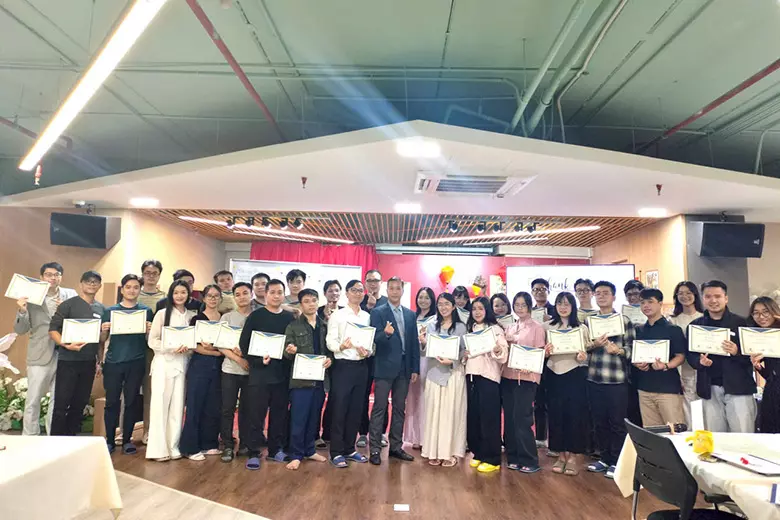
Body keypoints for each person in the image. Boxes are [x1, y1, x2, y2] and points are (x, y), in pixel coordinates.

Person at [13, 261, 77, 435]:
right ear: (41, 277)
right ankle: (30, 436)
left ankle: (52, 435)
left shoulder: (71, 295)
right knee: (33, 399)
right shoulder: (31, 296)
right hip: (40, 353)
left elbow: (77, 322)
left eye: (56, 275)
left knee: (58, 400)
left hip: (65, 353)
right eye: (48, 275)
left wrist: (66, 310)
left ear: (61, 277)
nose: (52, 278)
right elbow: (21, 330)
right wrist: (22, 311)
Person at [240, 279, 295, 470]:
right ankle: (253, 452)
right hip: (260, 373)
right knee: (256, 415)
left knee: (279, 414)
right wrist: (257, 361)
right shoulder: (256, 316)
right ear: (265, 294)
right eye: (272, 292)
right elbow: (244, 343)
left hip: (281, 374)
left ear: (283, 294)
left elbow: (292, 342)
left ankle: (275, 450)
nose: (276, 296)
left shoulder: (289, 318)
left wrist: (291, 349)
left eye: (280, 292)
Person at [687, 281, 755, 433]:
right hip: (709, 388)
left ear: (726, 298)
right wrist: (700, 362)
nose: (713, 300)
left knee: (743, 434)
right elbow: (691, 357)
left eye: (717, 296)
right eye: (708, 296)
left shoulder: (742, 323)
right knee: (715, 436)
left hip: (738, 387)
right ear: (703, 299)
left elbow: (753, 356)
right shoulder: (695, 326)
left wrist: (737, 352)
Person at [368, 277, 420, 465]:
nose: (395, 291)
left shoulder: (410, 315)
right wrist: (386, 334)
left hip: (404, 369)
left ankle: (396, 447)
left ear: (402, 291)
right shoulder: (378, 312)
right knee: (379, 408)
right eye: (392, 288)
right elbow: (373, 338)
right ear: (387, 290)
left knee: (399, 408)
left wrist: (415, 368)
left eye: (398, 288)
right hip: (384, 367)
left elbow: (414, 343)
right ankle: (374, 449)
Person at [586, 281, 634, 479]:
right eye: (598, 293)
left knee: (617, 424)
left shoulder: (624, 321)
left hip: (617, 380)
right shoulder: (590, 321)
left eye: (606, 293)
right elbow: (583, 347)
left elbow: (633, 348)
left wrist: (619, 350)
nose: (601, 296)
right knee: (599, 423)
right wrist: (594, 344)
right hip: (594, 378)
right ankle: (604, 459)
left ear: (614, 297)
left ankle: (617, 462)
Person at [100, 274, 153, 453]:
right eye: (128, 287)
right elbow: (102, 339)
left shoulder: (146, 311)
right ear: (122, 289)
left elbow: (150, 341)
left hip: (136, 362)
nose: (132, 290)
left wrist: (149, 331)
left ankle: (127, 440)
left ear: (140, 290)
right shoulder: (110, 311)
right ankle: (109, 440)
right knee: (111, 402)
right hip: (113, 362)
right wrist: (103, 330)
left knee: (131, 401)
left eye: (136, 287)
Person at [48, 270, 106, 436]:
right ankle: (56, 440)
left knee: (80, 403)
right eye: (88, 281)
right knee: (61, 404)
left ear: (99, 286)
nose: (91, 284)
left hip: (88, 362)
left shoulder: (101, 309)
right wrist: (66, 344)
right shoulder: (68, 305)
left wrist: (99, 361)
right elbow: (53, 330)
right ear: (81, 284)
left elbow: (101, 340)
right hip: (68, 360)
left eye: (95, 282)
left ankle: (72, 438)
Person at [283, 288, 332, 470]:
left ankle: (310, 450)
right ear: (301, 305)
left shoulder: (325, 326)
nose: (311, 304)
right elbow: (286, 352)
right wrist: (290, 350)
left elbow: (329, 350)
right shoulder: (293, 326)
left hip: (320, 379)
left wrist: (330, 360)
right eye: (306, 301)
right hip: (300, 380)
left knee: (314, 417)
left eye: (313, 300)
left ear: (318, 302)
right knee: (299, 417)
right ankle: (296, 454)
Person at [146, 280, 195, 461]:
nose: (180, 296)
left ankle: (173, 446)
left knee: (177, 406)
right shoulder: (161, 314)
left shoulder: (191, 316)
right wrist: (171, 348)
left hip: (182, 364)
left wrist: (187, 348)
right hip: (163, 364)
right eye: (176, 292)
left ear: (188, 295)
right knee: (160, 406)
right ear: (170, 294)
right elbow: (152, 341)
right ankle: (158, 450)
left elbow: (193, 343)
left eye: (183, 292)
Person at [326, 279, 372, 468]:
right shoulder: (337, 315)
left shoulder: (366, 316)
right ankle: (336, 452)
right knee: (340, 409)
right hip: (343, 366)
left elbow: (370, 342)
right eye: (354, 290)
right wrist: (341, 347)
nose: (358, 293)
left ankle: (349, 448)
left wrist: (368, 351)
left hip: (361, 366)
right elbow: (330, 341)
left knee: (356, 409)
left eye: (361, 290)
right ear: (347, 293)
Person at [543, 292, 590, 476]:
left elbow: (585, 356)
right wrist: (545, 353)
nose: (563, 307)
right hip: (554, 374)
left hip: (575, 374)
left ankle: (572, 457)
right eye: (559, 304)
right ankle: (561, 455)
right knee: (556, 415)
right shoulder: (547, 327)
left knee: (574, 416)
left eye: (566, 304)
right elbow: (541, 353)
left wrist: (583, 357)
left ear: (573, 306)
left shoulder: (581, 328)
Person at [421, 293, 468, 467]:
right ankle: (433, 451)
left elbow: (465, 352)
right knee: (434, 414)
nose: (443, 307)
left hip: (453, 374)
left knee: (451, 414)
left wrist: (453, 361)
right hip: (434, 373)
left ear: (454, 306)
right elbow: (426, 351)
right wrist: (423, 343)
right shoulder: (431, 326)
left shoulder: (461, 327)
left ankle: (449, 453)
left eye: (447, 304)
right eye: (440, 304)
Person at [502, 292, 546, 473]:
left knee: (523, 418)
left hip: (527, 378)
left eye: (523, 305)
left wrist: (531, 365)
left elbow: (540, 352)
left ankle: (529, 459)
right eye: (517, 305)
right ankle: (513, 456)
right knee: (510, 419)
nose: (520, 308)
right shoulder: (510, 327)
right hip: (508, 376)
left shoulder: (537, 328)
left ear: (529, 306)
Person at [180, 285, 224, 460]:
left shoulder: (224, 319)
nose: (213, 299)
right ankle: (190, 447)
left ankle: (209, 443)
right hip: (199, 366)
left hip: (218, 368)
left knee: (213, 406)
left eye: (216, 296)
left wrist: (218, 351)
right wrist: (216, 352)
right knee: (195, 405)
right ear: (204, 298)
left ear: (221, 298)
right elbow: (194, 345)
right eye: (209, 296)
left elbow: (228, 343)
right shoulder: (196, 319)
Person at [465, 296, 508, 474]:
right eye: (474, 309)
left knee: (489, 419)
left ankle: (492, 458)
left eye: (481, 309)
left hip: (488, 377)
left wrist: (498, 350)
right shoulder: (471, 329)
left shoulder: (495, 329)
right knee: (475, 418)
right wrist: (465, 354)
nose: (477, 312)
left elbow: (503, 354)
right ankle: (479, 453)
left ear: (487, 310)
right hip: (472, 377)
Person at [632, 288, 686, 427]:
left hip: (667, 388)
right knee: (652, 432)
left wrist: (666, 365)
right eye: (642, 302)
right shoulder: (638, 330)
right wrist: (637, 364)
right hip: (644, 388)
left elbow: (680, 356)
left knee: (675, 430)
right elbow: (634, 355)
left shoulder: (673, 329)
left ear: (660, 303)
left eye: (650, 302)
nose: (646, 306)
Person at [219, 282, 253, 462]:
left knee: (247, 410)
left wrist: (247, 357)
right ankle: (227, 445)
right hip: (230, 370)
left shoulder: (257, 316)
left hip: (251, 372)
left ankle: (245, 443)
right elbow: (220, 345)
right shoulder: (227, 317)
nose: (242, 297)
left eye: (245, 293)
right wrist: (239, 359)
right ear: (233, 297)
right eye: (237, 294)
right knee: (227, 408)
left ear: (251, 294)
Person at [668, 281, 704, 428]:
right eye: (680, 293)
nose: (685, 296)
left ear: (695, 295)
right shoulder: (673, 320)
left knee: (706, 407)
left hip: (703, 368)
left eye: (688, 293)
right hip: (684, 369)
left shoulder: (704, 317)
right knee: (688, 407)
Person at [358, 270, 388, 448]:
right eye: (369, 280)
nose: (372, 283)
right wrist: (368, 308)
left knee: (382, 396)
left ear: (381, 282)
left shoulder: (387, 303)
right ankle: (362, 432)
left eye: (375, 280)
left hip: (382, 356)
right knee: (362, 394)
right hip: (363, 356)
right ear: (365, 282)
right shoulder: (358, 302)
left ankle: (381, 432)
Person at [137, 259, 165, 445]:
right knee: (129, 393)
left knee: (151, 391)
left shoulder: (165, 298)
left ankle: (149, 430)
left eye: (155, 273)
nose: (151, 276)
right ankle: (124, 431)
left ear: (159, 275)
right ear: (142, 274)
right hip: (134, 347)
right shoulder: (134, 294)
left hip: (154, 350)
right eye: (147, 272)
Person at [404, 286, 436, 449]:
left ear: (432, 300)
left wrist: (425, 342)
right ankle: (416, 437)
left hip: (428, 361)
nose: (423, 301)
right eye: (420, 297)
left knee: (426, 399)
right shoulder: (412, 317)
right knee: (413, 399)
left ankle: (427, 438)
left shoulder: (435, 319)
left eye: (427, 298)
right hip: (413, 362)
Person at [315, 279, 342, 448]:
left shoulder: (344, 312)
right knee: (318, 397)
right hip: (320, 360)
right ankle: (314, 434)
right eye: (330, 290)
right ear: (325, 293)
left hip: (338, 360)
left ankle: (328, 432)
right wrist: (324, 318)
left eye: (337, 290)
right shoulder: (317, 311)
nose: (334, 293)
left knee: (335, 398)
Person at [747, 297, 780, 433]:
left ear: (774, 311)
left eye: (765, 312)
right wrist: (758, 367)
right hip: (772, 391)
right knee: (770, 432)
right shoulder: (760, 338)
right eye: (756, 313)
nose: (761, 317)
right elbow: (771, 375)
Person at [530, 278, 556, 450]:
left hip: (552, 361)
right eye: (536, 289)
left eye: (543, 289)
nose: (540, 292)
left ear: (548, 291)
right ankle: (540, 436)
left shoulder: (556, 310)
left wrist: (550, 320)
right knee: (538, 400)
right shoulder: (529, 311)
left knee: (551, 400)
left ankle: (554, 440)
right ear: (532, 292)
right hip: (534, 360)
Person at [623, 280, 645, 429]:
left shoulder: (649, 313)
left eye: (636, 294)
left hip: (647, 365)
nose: (632, 298)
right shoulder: (622, 316)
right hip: (629, 366)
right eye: (629, 294)